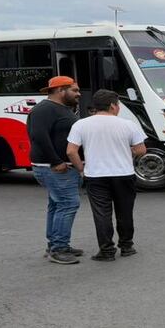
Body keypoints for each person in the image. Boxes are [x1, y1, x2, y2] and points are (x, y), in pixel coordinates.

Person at [66, 90, 147, 262]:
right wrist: (128, 153)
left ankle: (107, 250)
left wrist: (81, 169)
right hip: (124, 174)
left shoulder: (81, 124)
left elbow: (71, 151)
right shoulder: (128, 124)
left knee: (101, 213)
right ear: (112, 106)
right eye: (118, 105)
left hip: (96, 175)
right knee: (125, 212)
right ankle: (126, 246)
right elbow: (141, 150)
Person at [27, 76, 83, 265]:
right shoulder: (44, 109)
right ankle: (59, 248)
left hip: (58, 167)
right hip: (54, 168)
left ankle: (56, 244)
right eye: (74, 90)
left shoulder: (61, 108)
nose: (78, 94)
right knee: (68, 204)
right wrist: (56, 161)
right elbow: (38, 136)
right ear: (60, 90)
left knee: (57, 204)